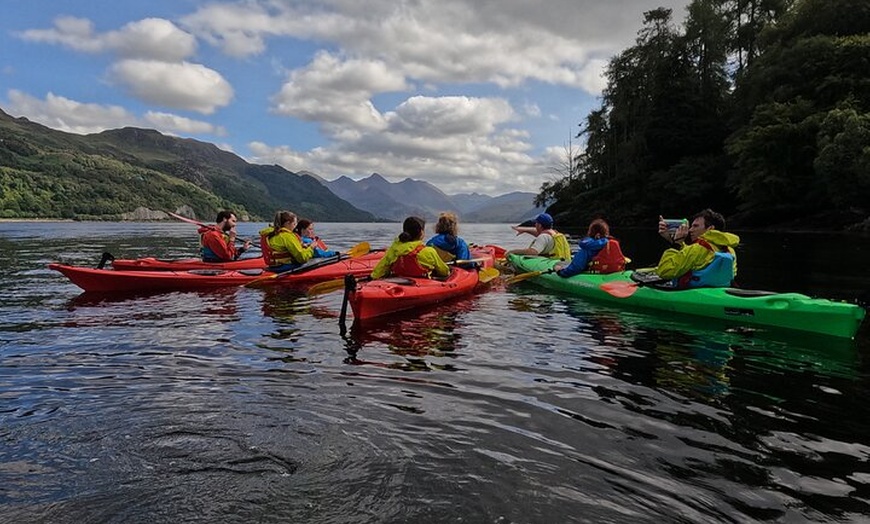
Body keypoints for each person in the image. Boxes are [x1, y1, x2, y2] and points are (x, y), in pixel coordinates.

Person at [652, 209, 740, 288]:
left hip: (692, 292)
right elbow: (694, 257)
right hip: (718, 291)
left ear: (710, 228)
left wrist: (676, 244)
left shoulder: (697, 249)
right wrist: (671, 240)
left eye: (695, 226)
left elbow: (664, 271)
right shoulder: (730, 250)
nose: (690, 230)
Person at [370, 216, 450, 279]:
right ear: (421, 232)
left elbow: (382, 267)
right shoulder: (429, 251)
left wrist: (372, 277)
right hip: (422, 285)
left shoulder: (394, 249)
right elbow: (444, 271)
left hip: (399, 279)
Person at [258, 211, 338, 272]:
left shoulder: (272, 233)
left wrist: (303, 246)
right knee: (313, 260)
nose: (295, 227)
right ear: (287, 223)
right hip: (285, 267)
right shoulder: (287, 236)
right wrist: (311, 247)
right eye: (294, 224)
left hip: (274, 266)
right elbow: (302, 258)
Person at [554, 219, 627, 278]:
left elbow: (577, 267)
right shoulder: (610, 244)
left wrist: (560, 272)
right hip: (614, 273)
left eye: (589, 231)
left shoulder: (587, 249)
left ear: (597, 235)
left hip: (595, 275)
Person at [505, 213, 572, 260]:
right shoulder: (555, 233)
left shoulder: (543, 237)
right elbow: (540, 234)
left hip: (550, 264)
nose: (535, 225)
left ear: (539, 225)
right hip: (561, 261)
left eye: (536, 223)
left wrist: (512, 251)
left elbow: (533, 252)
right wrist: (525, 230)